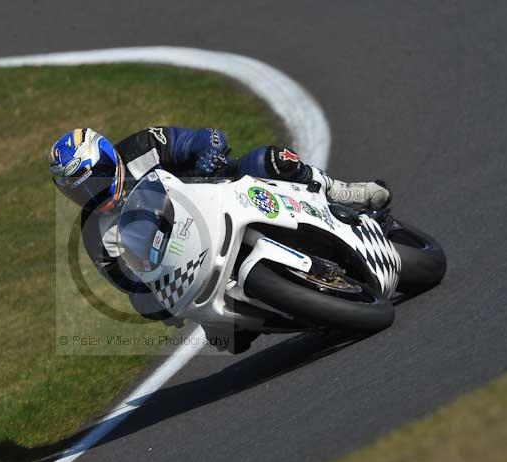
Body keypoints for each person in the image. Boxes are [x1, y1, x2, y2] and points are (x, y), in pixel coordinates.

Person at [48, 126, 390, 323]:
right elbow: (128, 284)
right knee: (222, 334)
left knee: (268, 159)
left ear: (110, 157)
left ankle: (339, 190)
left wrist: (209, 157)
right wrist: (152, 297)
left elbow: (204, 138)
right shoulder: (95, 234)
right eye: (80, 191)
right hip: (190, 260)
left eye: (98, 178)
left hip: (216, 194)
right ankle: (273, 315)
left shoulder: (143, 147)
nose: (94, 193)